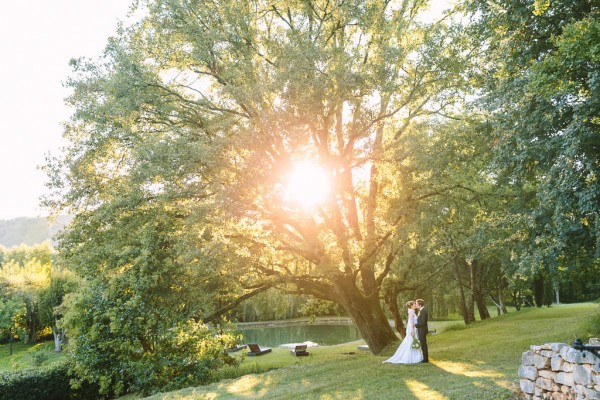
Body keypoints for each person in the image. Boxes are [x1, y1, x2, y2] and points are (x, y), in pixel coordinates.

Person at [414, 298, 429, 363]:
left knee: (423, 344)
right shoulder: (420, 311)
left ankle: (425, 359)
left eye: (416, 304)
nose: (415, 305)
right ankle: (424, 357)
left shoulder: (423, 311)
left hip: (422, 330)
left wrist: (415, 325)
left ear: (420, 305)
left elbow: (423, 322)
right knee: (422, 344)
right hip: (420, 330)